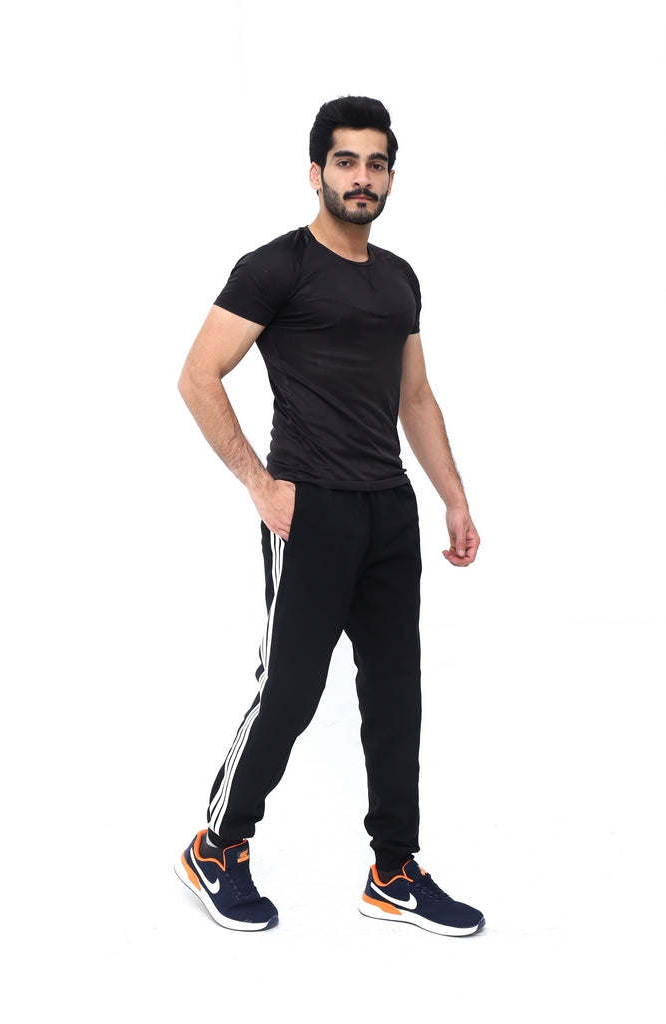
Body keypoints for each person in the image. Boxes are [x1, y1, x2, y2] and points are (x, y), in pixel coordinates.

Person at [174, 95, 485, 936]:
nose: (361, 177)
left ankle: (393, 869)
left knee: (395, 696)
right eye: (345, 162)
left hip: (388, 509)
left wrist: (452, 497)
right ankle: (217, 847)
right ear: (316, 173)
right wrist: (259, 483)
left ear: (390, 177)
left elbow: (414, 396)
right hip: (308, 509)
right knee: (290, 690)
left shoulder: (398, 278)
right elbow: (198, 375)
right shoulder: (274, 267)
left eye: (375, 163)